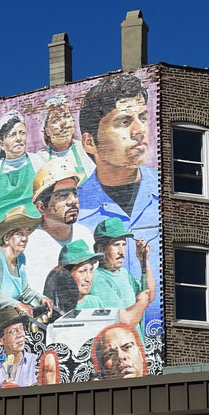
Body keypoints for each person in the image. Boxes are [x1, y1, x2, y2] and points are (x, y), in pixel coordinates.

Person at [76, 74, 159, 287]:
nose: (140, 130)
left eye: (143, 117)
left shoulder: (169, 189)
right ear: (89, 142)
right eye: (124, 122)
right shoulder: (74, 211)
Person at [25, 159, 93, 295]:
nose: (73, 201)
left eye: (74, 193)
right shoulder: (30, 247)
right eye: (62, 195)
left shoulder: (85, 235)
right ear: (41, 207)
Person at [89, 217, 156, 337]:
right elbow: (123, 322)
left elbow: (149, 295)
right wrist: (141, 302)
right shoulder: (97, 279)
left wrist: (143, 261)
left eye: (124, 244)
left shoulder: (124, 274)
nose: (121, 251)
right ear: (100, 249)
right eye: (116, 245)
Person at [57, 241, 149, 326]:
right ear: (65, 274)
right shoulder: (57, 306)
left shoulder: (95, 302)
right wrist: (142, 302)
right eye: (82, 271)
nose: (88, 278)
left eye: (91, 270)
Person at [0, 206, 54, 316]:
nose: (25, 239)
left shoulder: (20, 258)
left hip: (14, 317)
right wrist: (16, 304)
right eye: (19, 233)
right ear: (6, 238)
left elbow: (25, 292)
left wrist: (41, 299)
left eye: (26, 233)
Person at [0, 110, 44, 225]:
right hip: (3, 232)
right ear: (2, 144)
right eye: (12, 135)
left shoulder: (37, 161)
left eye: (22, 133)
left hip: (36, 225)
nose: (18, 138)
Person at [36, 94, 95, 177]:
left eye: (67, 116)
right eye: (56, 120)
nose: (64, 123)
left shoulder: (84, 149)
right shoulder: (40, 158)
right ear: (47, 130)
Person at [0, 307, 39, 388]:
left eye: (21, 328)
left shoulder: (36, 362)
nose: (20, 334)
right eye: (13, 331)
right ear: (0, 340)